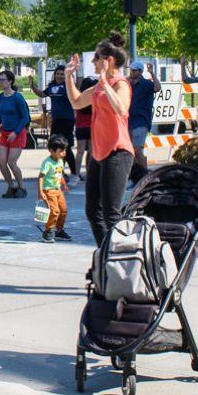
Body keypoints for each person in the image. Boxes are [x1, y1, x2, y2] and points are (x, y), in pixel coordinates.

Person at [66, 32, 134, 245]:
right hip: (99, 153)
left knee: (111, 213)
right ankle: (107, 256)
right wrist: (69, 76)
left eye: (96, 57)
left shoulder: (120, 84)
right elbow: (77, 102)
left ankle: (121, 258)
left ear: (108, 61)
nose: (93, 61)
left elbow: (121, 109)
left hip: (118, 152)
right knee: (93, 211)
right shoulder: (99, 86)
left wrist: (104, 81)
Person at [0, 72, 31, 198]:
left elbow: (25, 117)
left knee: (12, 162)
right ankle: (11, 186)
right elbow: (1, 115)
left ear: (10, 81)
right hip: (5, 133)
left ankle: (22, 187)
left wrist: (15, 132)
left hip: (18, 133)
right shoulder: (0, 97)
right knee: (2, 162)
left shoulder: (17, 97)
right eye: (0, 80)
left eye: (3, 80)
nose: (1, 82)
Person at [40, 65, 75, 172]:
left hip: (67, 120)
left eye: (62, 74)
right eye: (57, 74)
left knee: (66, 147)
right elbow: (41, 94)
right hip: (56, 120)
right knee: (55, 146)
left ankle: (74, 172)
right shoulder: (51, 87)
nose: (59, 76)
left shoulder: (69, 86)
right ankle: (60, 172)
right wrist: (32, 86)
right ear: (54, 75)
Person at [126, 60, 157, 181]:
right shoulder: (128, 84)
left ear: (140, 71)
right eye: (131, 70)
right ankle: (136, 177)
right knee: (131, 151)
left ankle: (146, 177)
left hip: (141, 121)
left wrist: (152, 73)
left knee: (137, 149)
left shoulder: (146, 84)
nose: (132, 72)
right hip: (129, 121)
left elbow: (158, 87)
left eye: (134, 70)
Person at [38, 136, 72, 242]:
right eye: (61, 151)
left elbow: (59, 174)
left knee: (63, 210)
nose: (63, 153)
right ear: (52, 151)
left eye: (64, 150)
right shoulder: (47, 163)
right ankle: (47, 231)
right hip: (48, 191)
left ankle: (59, 231)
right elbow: (40, 177)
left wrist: (64, 185)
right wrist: (40, 192)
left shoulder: (60, 161)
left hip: (58, 190)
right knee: (54, 211)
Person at [71, 71, 96, 181]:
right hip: (92, 127)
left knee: (80, 151)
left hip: (80, 127)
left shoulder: (80, 97)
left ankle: (76, 174)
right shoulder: (94, 99)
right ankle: (89, 173)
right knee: (91, 151)